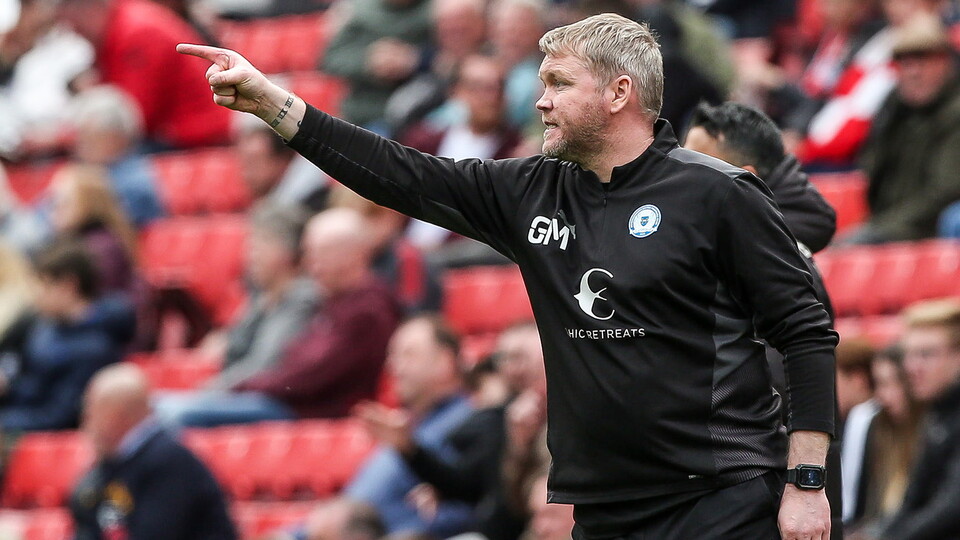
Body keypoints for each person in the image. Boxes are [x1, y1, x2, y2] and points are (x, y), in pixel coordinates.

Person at [180, 13, 837, 539]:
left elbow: (806, 332)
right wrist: (275, 106)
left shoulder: (718, 193)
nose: (540, 101)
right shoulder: (531, 191)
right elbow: (400, 172)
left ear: (619, 93)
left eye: (558, 84)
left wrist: (806, 483)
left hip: (719, 504)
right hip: (603, 508)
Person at [161, 208, 402, 427]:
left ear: (351, 255)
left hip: (308, 412)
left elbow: (308, 375)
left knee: (174, 415)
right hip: (287, 403)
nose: (310, 265)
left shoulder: (367, 310)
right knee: (158, 406)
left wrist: (244, 386)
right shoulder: (335, 302)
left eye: (317, 254)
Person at [70, 363, 237, 540]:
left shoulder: (170, 462)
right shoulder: (108, 466)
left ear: (119, 415)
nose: (85, 424)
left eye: (91, 413)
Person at [347, 315, 476, 537]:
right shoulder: (403, 426)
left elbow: (467, 504)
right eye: (392, 356)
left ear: (445, 361)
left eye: (408, 354)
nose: (393, 366)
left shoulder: (470, 423)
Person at [57, 0, 231, 150]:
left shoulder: (136, 33)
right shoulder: (119, 26)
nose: (76, 33)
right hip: (170, 133)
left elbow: (133, 119)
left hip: (196, 136)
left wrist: (62, 138)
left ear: (88, 10)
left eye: (75, 25)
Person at [0, 241, 135, 432]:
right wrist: (8, 385)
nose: (36, 295)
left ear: (68, 285)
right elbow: (26, 382)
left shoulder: (95, 347)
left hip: (42, 440)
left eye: (44, 285)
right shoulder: (40, 326)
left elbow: (59, 418)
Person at [850, 13, 960, 243]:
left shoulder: (954, 113)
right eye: (905, 63)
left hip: (928, 231)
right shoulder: (894, 109)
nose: (913, 72)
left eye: (924, 61)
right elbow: (871, 168)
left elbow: (944, 193)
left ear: (946, 63)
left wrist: (882, 229)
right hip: (890, 223)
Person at [683, 101, 838, 253]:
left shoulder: (775, 256)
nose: (679, 172)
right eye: (680, 158)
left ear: (743, 178)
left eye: (695, 165)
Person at [867, 299, 960, 540]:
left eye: (926, 354)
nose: (911, 367)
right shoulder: (937, 412)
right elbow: (912, 501)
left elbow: (951, 508)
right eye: (908, 355)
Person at [846, 345, 923, 536]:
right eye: (878, 384)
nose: (881, 395)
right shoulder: (879, 429)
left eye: (891, 383)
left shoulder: (935, 431)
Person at [69, 85, 166, 228]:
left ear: (114, 137)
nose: (80, 146)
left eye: (89, 137)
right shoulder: (87, 173)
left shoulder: (135, 183)